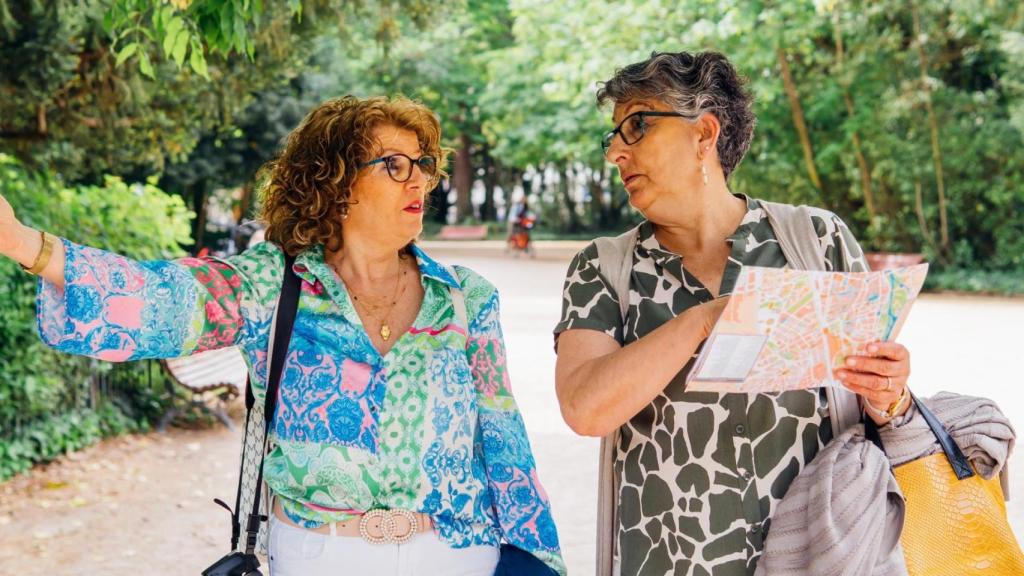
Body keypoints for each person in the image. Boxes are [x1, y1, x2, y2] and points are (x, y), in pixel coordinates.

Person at [0, 95, 565, 576]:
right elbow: (162, 299)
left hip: (458, 556)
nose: (419, 178)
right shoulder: (274, 284)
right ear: (336, 182)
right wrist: (25, 243)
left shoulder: (466, 296)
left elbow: (504, 438)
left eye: (424, 164)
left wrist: (533, 560)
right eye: (395, 164)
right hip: (320, 556)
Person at [553, 51, 913, 576]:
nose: (615, 153)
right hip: (668, 563)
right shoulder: (603, 269)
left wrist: (890, 392)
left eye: (636, 126)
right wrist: (704, 319)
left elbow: (876, 408)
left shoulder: (817, 241)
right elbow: (585, 408)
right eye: (612, 136)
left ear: (704, 134)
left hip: (821, 557)